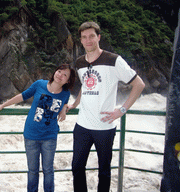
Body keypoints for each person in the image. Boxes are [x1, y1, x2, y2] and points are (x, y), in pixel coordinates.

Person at [67, 21, 145, 192]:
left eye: (92, 36)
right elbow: (85, 87)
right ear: (81, 40)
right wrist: (75, 103)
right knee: (77, 167)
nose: (88, 40)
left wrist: (122, 110)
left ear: (98, 37)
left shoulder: (114, 60)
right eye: (84, 37)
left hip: (105, 126)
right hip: (82, 125)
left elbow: (139, 84)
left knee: (104, 171)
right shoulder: (79, 62)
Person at [0, 64, 75, 192]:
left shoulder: (65, 93)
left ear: (68, 81)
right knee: (32, 171)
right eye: (59, 71)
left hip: (49, 137)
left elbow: (65, 102)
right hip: (31, 135)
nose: (61, 75)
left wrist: (64, 108)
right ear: (55, 72)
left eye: (65, 75)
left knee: (48, 170)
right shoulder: (39, 84)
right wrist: (3, 105)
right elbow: (22, 96)